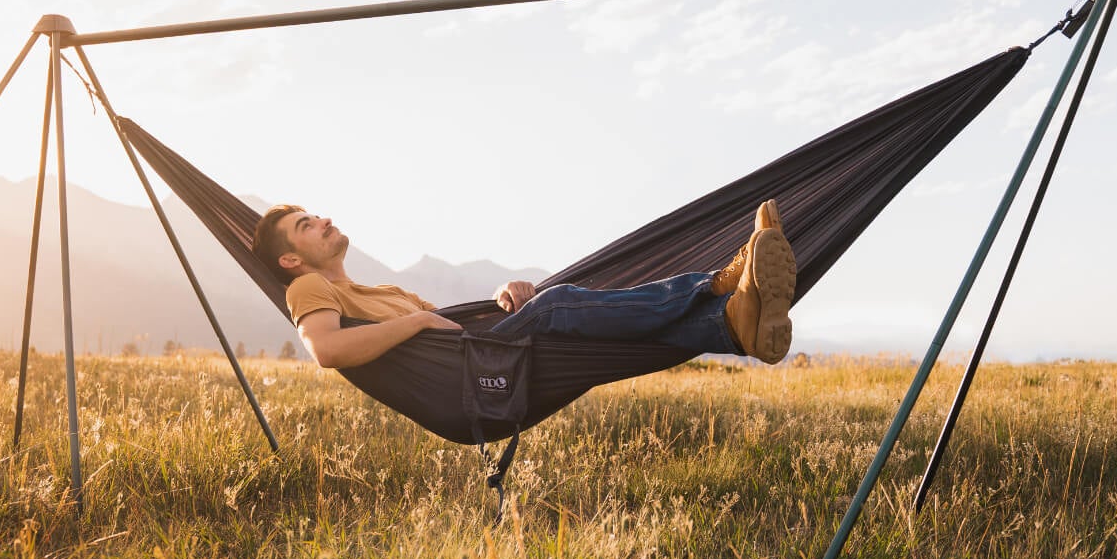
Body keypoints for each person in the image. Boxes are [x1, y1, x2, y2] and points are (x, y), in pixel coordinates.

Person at [249, 201, 797, 369]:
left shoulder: (382, 293)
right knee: (560, 304)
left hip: (479, 348)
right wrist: (417, 320)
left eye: (314, 214)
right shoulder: (308, 291)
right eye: (305, 226)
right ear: (291, 259)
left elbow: (448, 321)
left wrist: (501, 300)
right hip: (470, 377)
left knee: (569, 313)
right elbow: (326, 350)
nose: (321, 220)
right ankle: (721, 281)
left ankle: (731, 323)